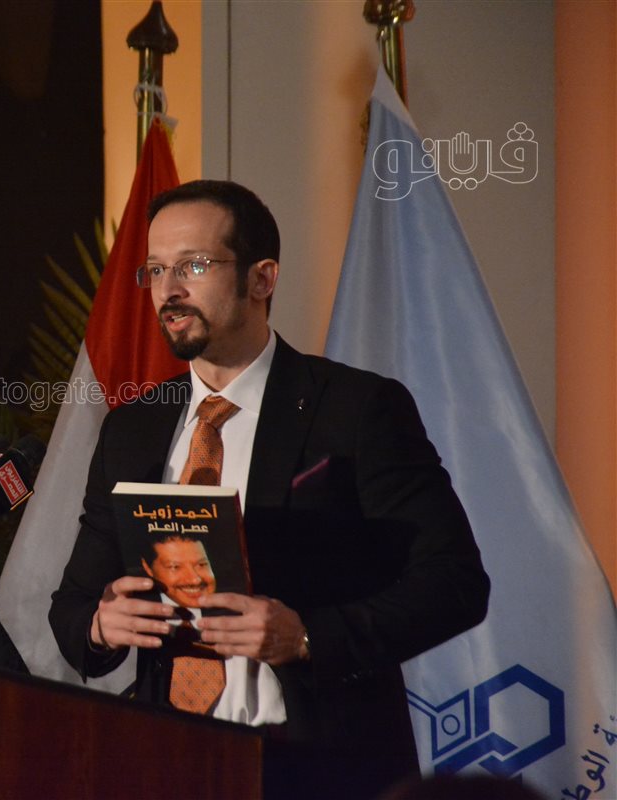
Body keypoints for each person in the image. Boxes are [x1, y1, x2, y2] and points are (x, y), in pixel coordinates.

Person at [49, 180, 490, 797]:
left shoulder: (356, 410)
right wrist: (104, 623)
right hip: (164, 759)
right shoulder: (133, 428)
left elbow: (454, 584)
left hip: (316, 765)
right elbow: (71, 606)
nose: (169, 291)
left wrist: (305, 637)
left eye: (193, 266)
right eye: (156, 270)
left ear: (262, 278)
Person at [141, 532, 216, 610]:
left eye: (201, 565)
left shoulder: (224, 606)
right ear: (148, 568)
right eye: (175, 567)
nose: (195, 580)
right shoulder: (137, 607)